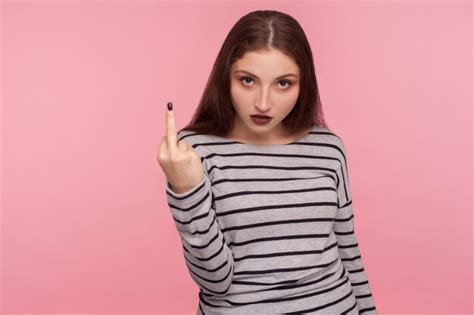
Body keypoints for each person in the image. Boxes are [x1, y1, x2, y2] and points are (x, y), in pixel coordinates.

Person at [157, 10, 377, 314]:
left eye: (283, 84)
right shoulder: (194, 153)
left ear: (304, 85)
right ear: (226, 77)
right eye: (248, 80)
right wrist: (186, 189)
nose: (263, 102)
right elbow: (215, 282)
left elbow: (349, 253)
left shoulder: (328, 147)